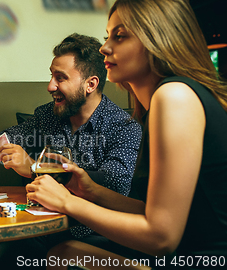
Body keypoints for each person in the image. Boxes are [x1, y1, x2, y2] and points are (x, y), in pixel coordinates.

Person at [0, 33, 142, 269]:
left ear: (90, 84)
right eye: (51, 75)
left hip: (96, 236)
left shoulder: (123, 126)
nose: (50, 86)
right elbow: (1, 141)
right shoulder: (48, 114)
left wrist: (32, 167)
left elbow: (114, 186)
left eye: (60, 78)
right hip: (43, 231)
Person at [26, 0, 227, 269]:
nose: (104, 47)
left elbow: (161, 236)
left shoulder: (174, 96)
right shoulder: (158, 102)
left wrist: (67, 202)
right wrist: (94, 192)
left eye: (120, 36)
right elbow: (156, 213)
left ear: (159, 39)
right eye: (108, 35)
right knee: (63, 252)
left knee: (63, 255)